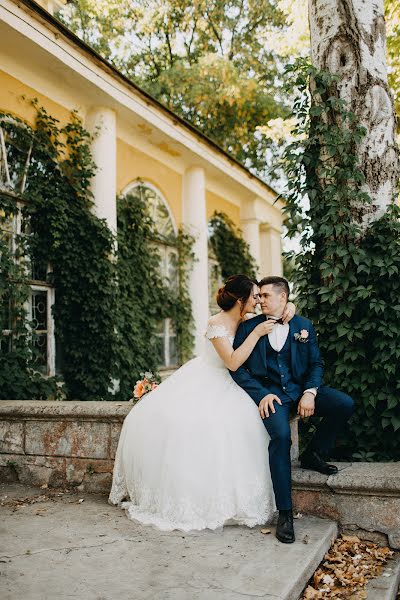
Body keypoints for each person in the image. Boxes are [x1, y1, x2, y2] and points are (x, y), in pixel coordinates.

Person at [109, 274, 296, 532]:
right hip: (210, 377)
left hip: (236, 384)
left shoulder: (248, 319)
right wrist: (255, 334)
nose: (258, 301)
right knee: (197, 426)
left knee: (244, 426)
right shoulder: (216, 324)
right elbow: (231, 362)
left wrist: (290, 307)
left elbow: (281, 309)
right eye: (254, 296)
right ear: (240, 300)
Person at [230, 276, 354, 544]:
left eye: (265, 295)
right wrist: (262, 394)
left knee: (344, 404)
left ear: (283, 298)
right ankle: (285, 512)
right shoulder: (248, 327)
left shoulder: (302, 326)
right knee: (281, 438)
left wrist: (309, 392)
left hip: (300, 390)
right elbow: (238, 370)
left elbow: (316, 364)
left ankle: (313, 454)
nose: (259, 300)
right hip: (273, 396)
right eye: (258, 295)